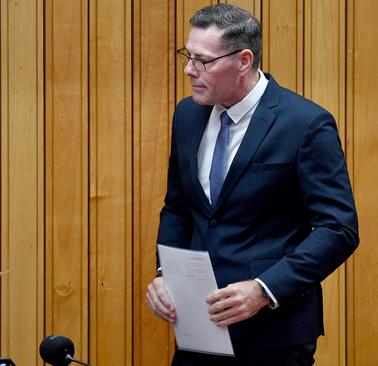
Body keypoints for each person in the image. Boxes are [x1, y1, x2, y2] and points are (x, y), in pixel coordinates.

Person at [145, 4, 358, 366]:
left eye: (202, 60)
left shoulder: (306, 124)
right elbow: (178, 208)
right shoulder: (187, 114)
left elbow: (338, 229)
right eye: (187, 55)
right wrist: (166, 273)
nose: (188, 70)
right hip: (198, 331)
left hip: (273, 334)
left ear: (244, 60)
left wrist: (263, 289)